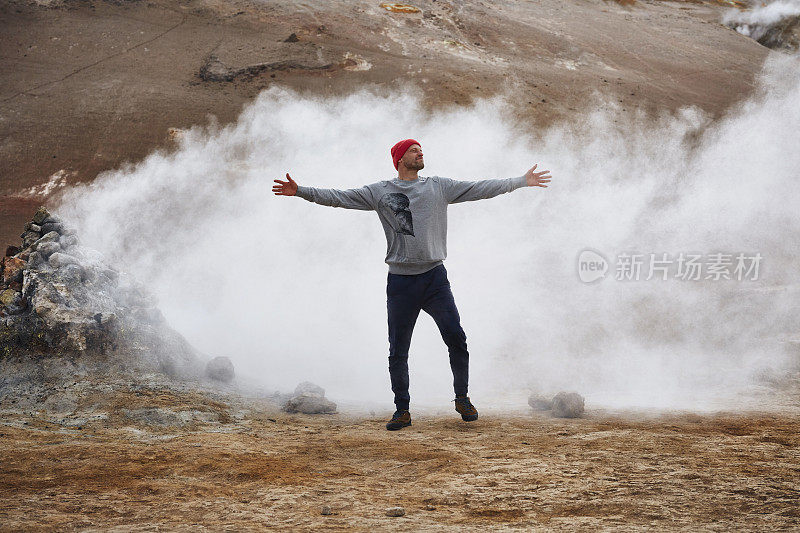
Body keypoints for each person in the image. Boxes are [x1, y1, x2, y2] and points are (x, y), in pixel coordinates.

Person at [273, 139, 552, 431]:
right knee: (398, 349)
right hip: (401, 283)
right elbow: (339, 197)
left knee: (456, 337)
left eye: (421, 150)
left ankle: (462, 398)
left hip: (434, 279)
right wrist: (301, 191)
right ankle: (402, 410)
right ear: (399, 159)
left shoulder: (438, 186)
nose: (421, 153)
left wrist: (520, 182)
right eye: (413, 150)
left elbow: (480, 188)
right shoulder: (379, 192)